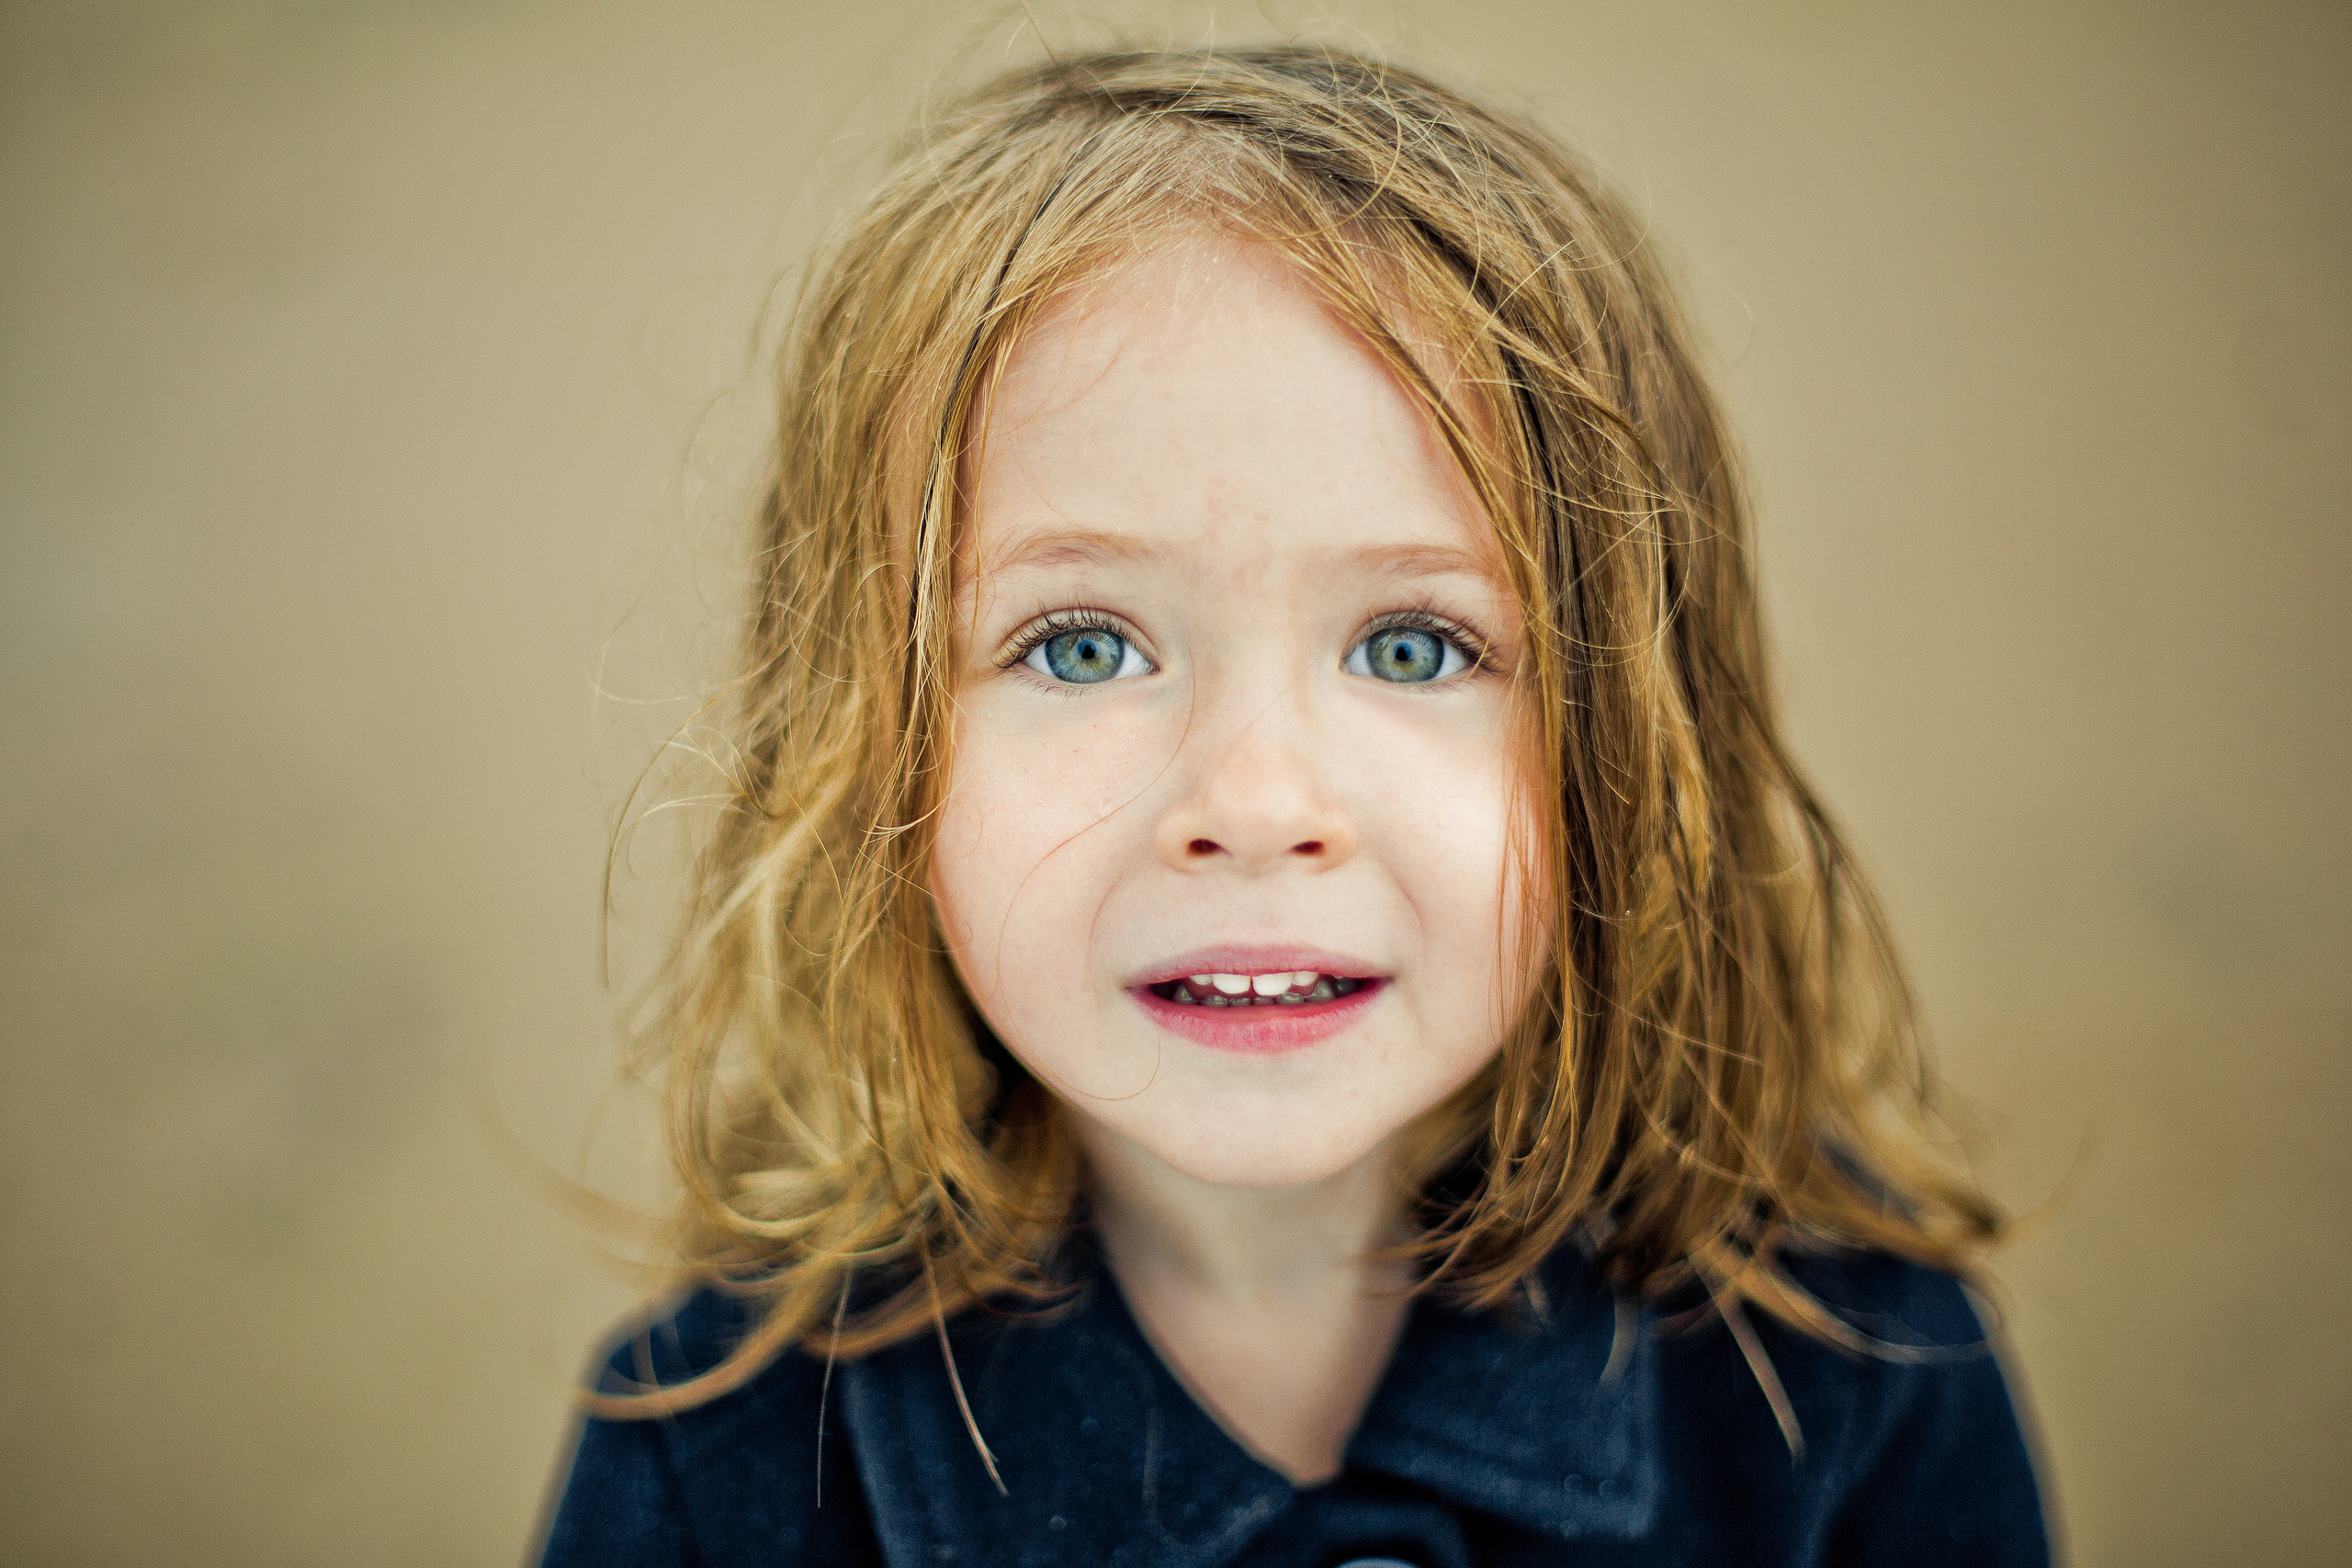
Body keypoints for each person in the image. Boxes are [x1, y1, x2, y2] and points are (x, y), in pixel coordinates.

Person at [536, 46, 2049, 1567]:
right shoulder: (711, 1471)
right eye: (1081, 647)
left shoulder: (1856, 1381)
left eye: (1414, 647)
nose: (1254, 807)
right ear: (865, 751)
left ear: (1636, 744)